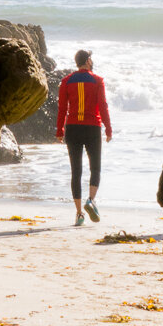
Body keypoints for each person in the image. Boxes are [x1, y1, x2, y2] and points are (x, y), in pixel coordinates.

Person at [56, 48, 111, 225]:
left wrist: (59, 131)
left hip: (72, 128)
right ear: (87, 61)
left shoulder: (66, 81)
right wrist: (108, 129)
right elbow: (103, 106)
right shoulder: (97, 81)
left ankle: (79, 214)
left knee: (76, 171)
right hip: (92, 128)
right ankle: (91, 200)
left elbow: (62, 109)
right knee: (95, 168)